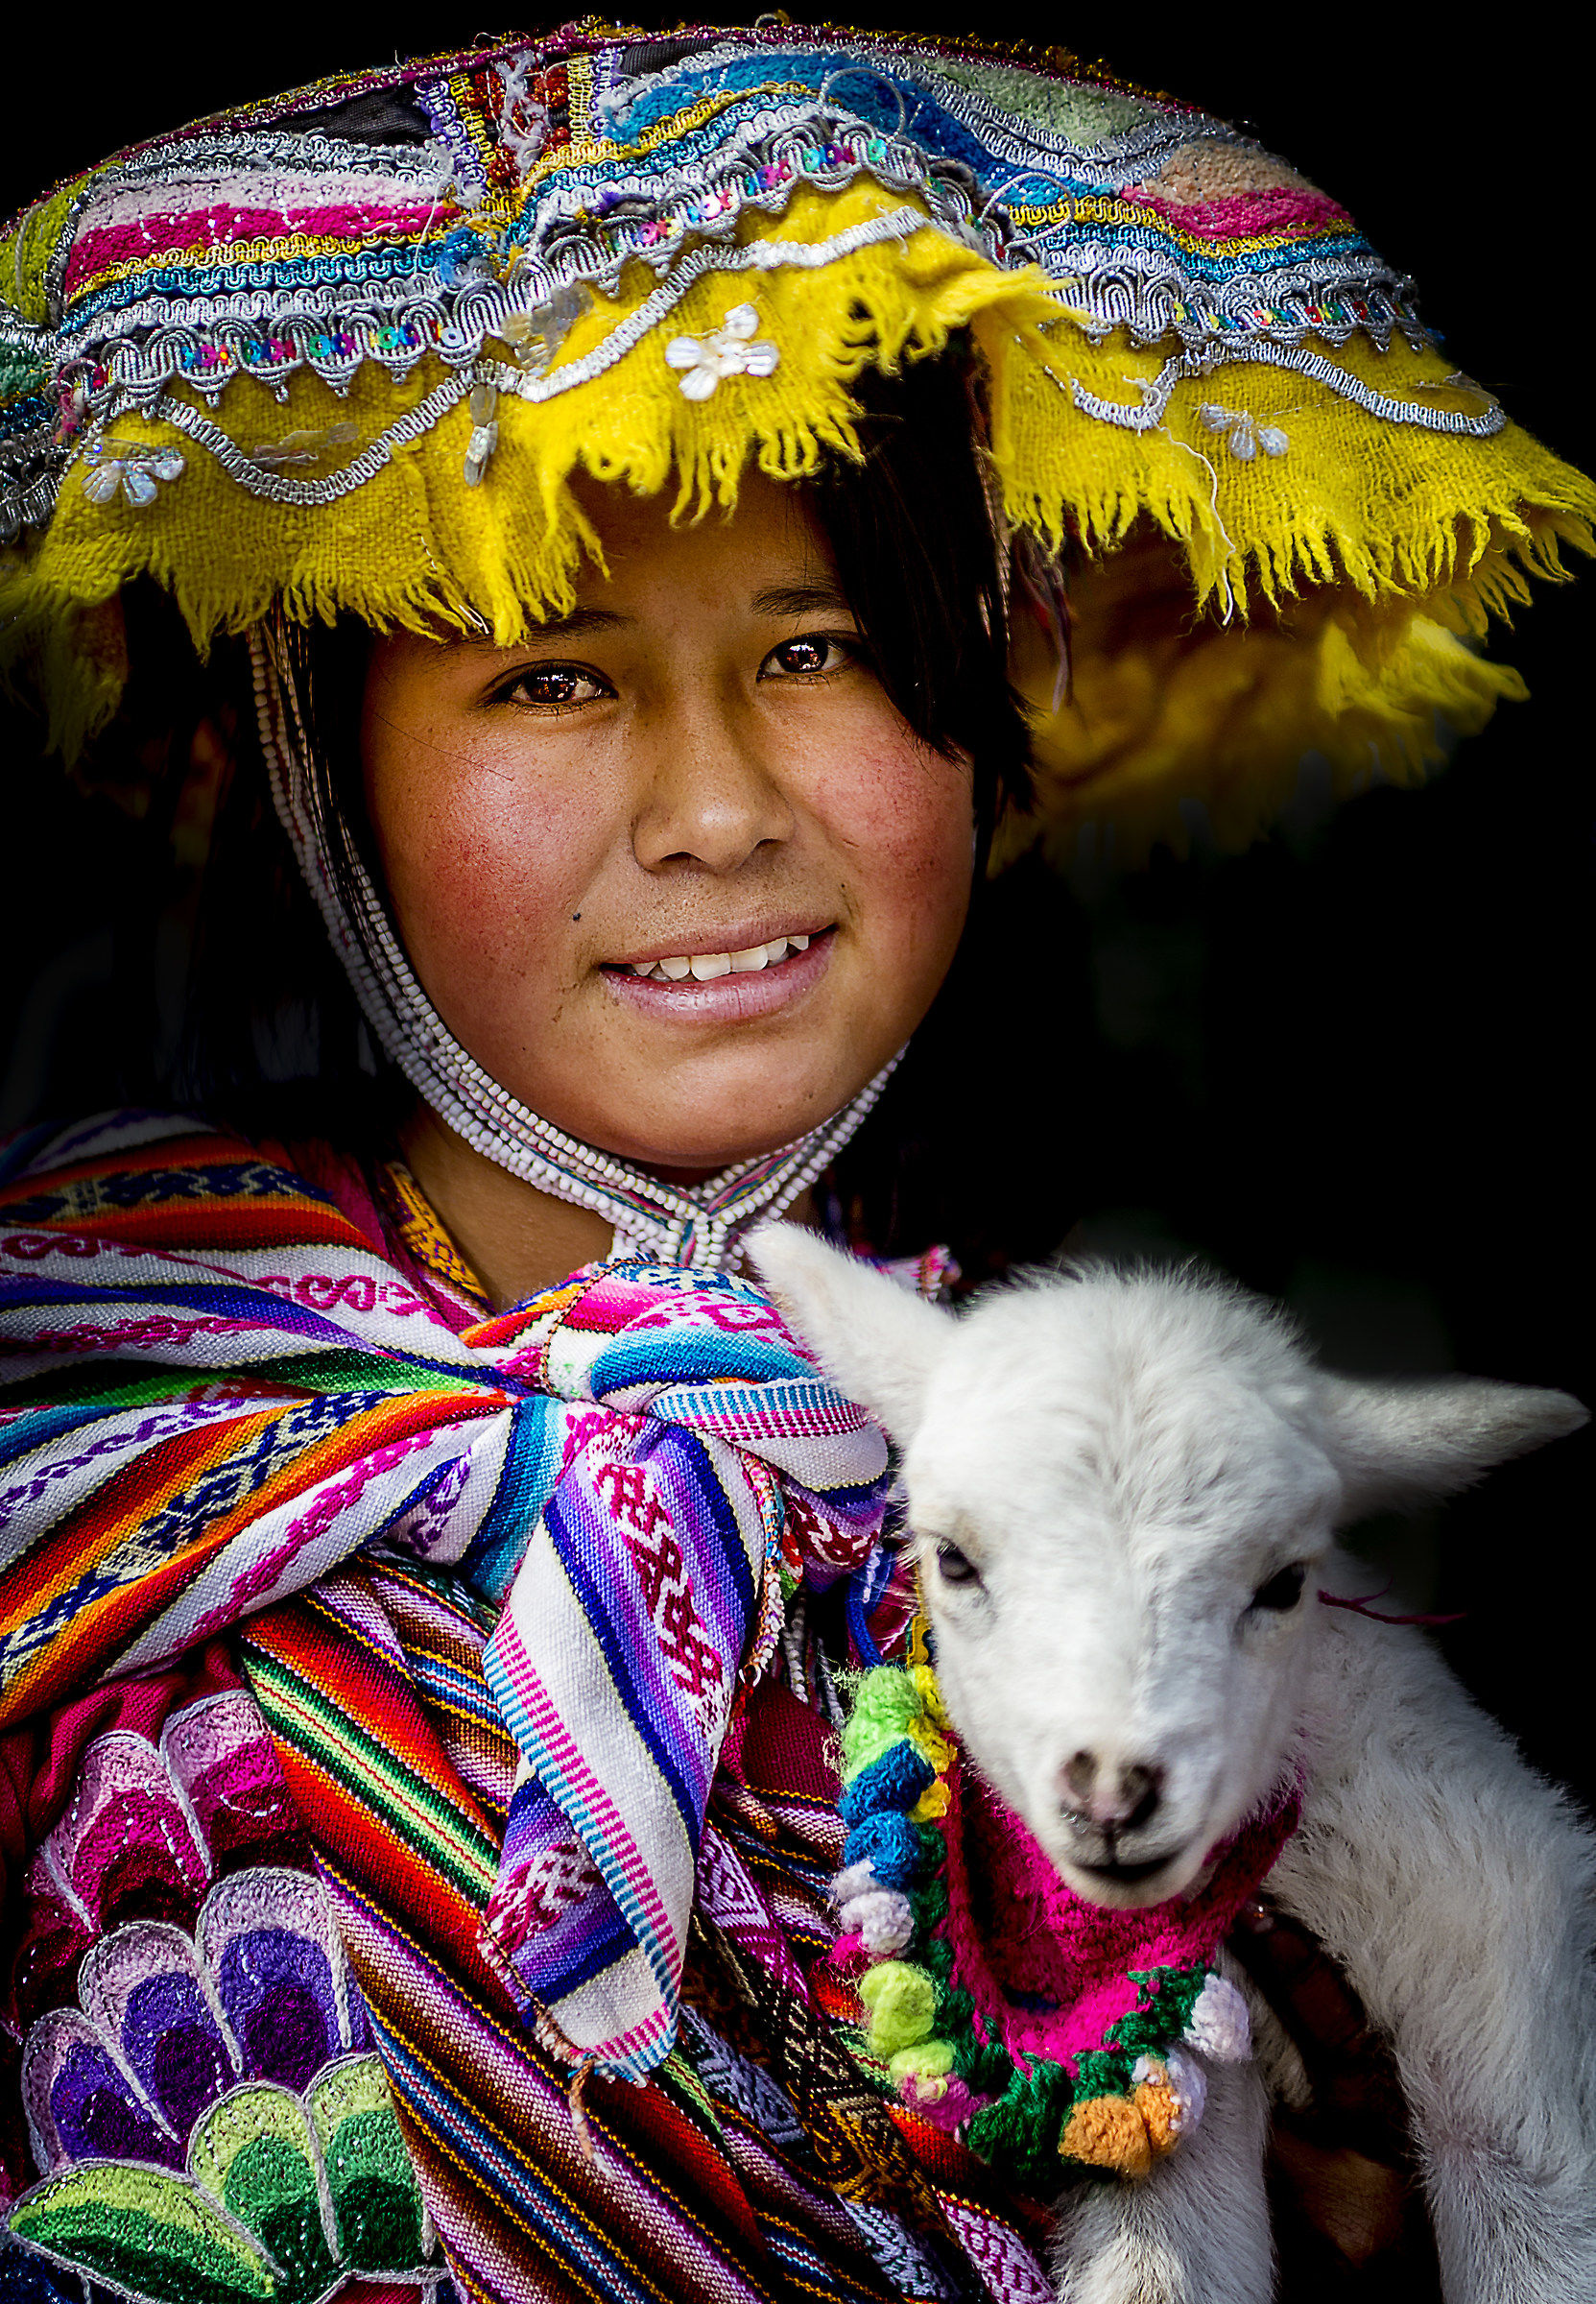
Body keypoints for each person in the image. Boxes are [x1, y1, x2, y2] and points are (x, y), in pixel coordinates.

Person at [0, 23, 1588, 2303]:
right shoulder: (75, 1425)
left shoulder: (1100, 1460)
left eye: (820, 645)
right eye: (547, 675)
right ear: (321, 773)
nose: (720, 806)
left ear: (982, 704)